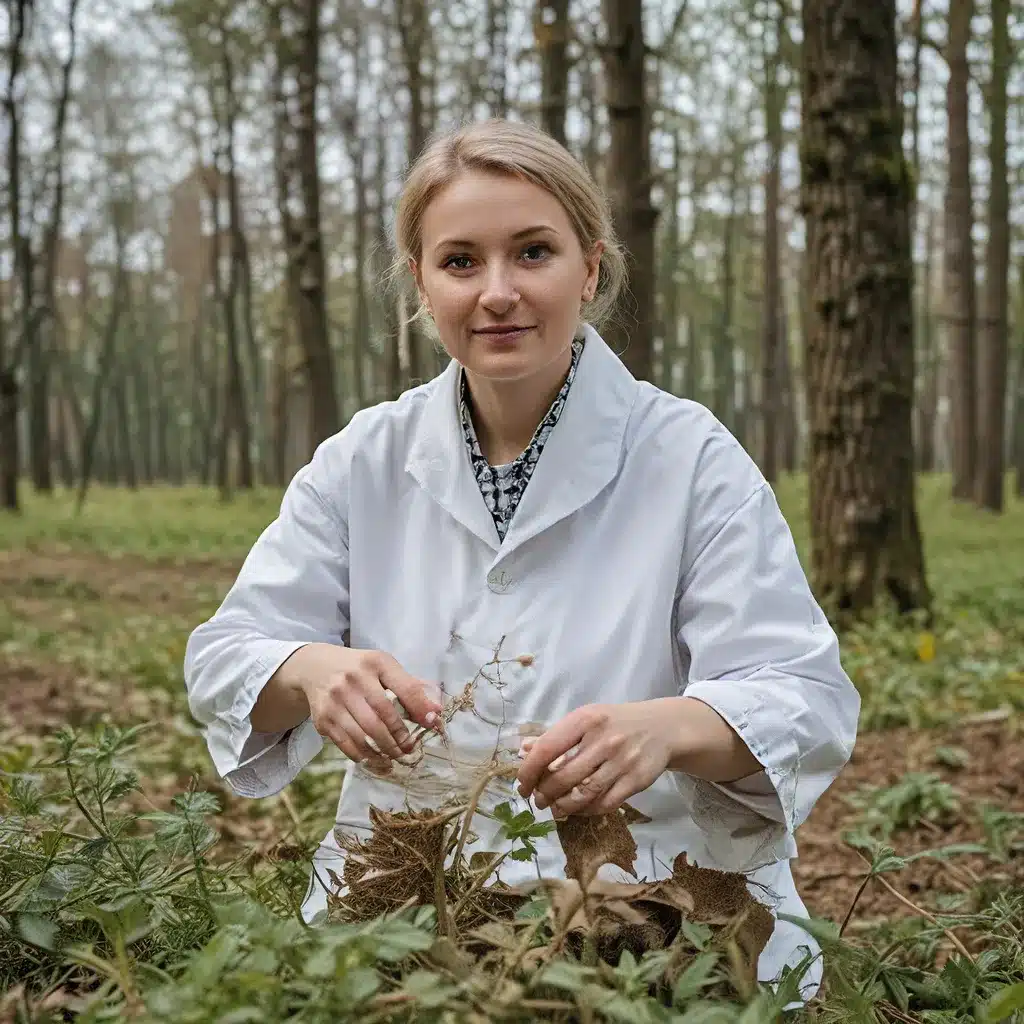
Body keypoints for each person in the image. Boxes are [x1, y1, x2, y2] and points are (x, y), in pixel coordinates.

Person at [183, 118, 859, 1002]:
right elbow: (225, 657)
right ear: (421, 282)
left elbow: (804, 700)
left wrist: (668, 729)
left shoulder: (690, 457)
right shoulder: (364, 460)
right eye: (460, 261)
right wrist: (312, 670)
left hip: (664, 917)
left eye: (532, 252)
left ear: (590, 265)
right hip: (404, 913)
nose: (497, 291)